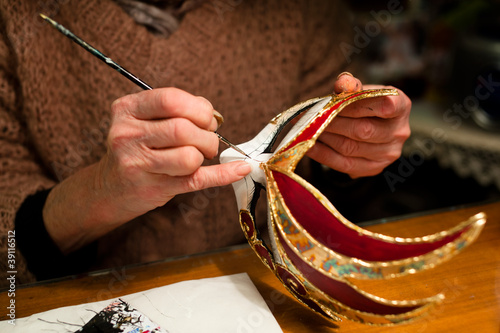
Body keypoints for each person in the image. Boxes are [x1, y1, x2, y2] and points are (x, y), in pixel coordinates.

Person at [0, 0, 410, 287]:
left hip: (255, 295)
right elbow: (8, 259)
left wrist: (352, 148)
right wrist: (101, 192)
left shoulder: (305, 11)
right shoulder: (17, 19)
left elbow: (331, 184)